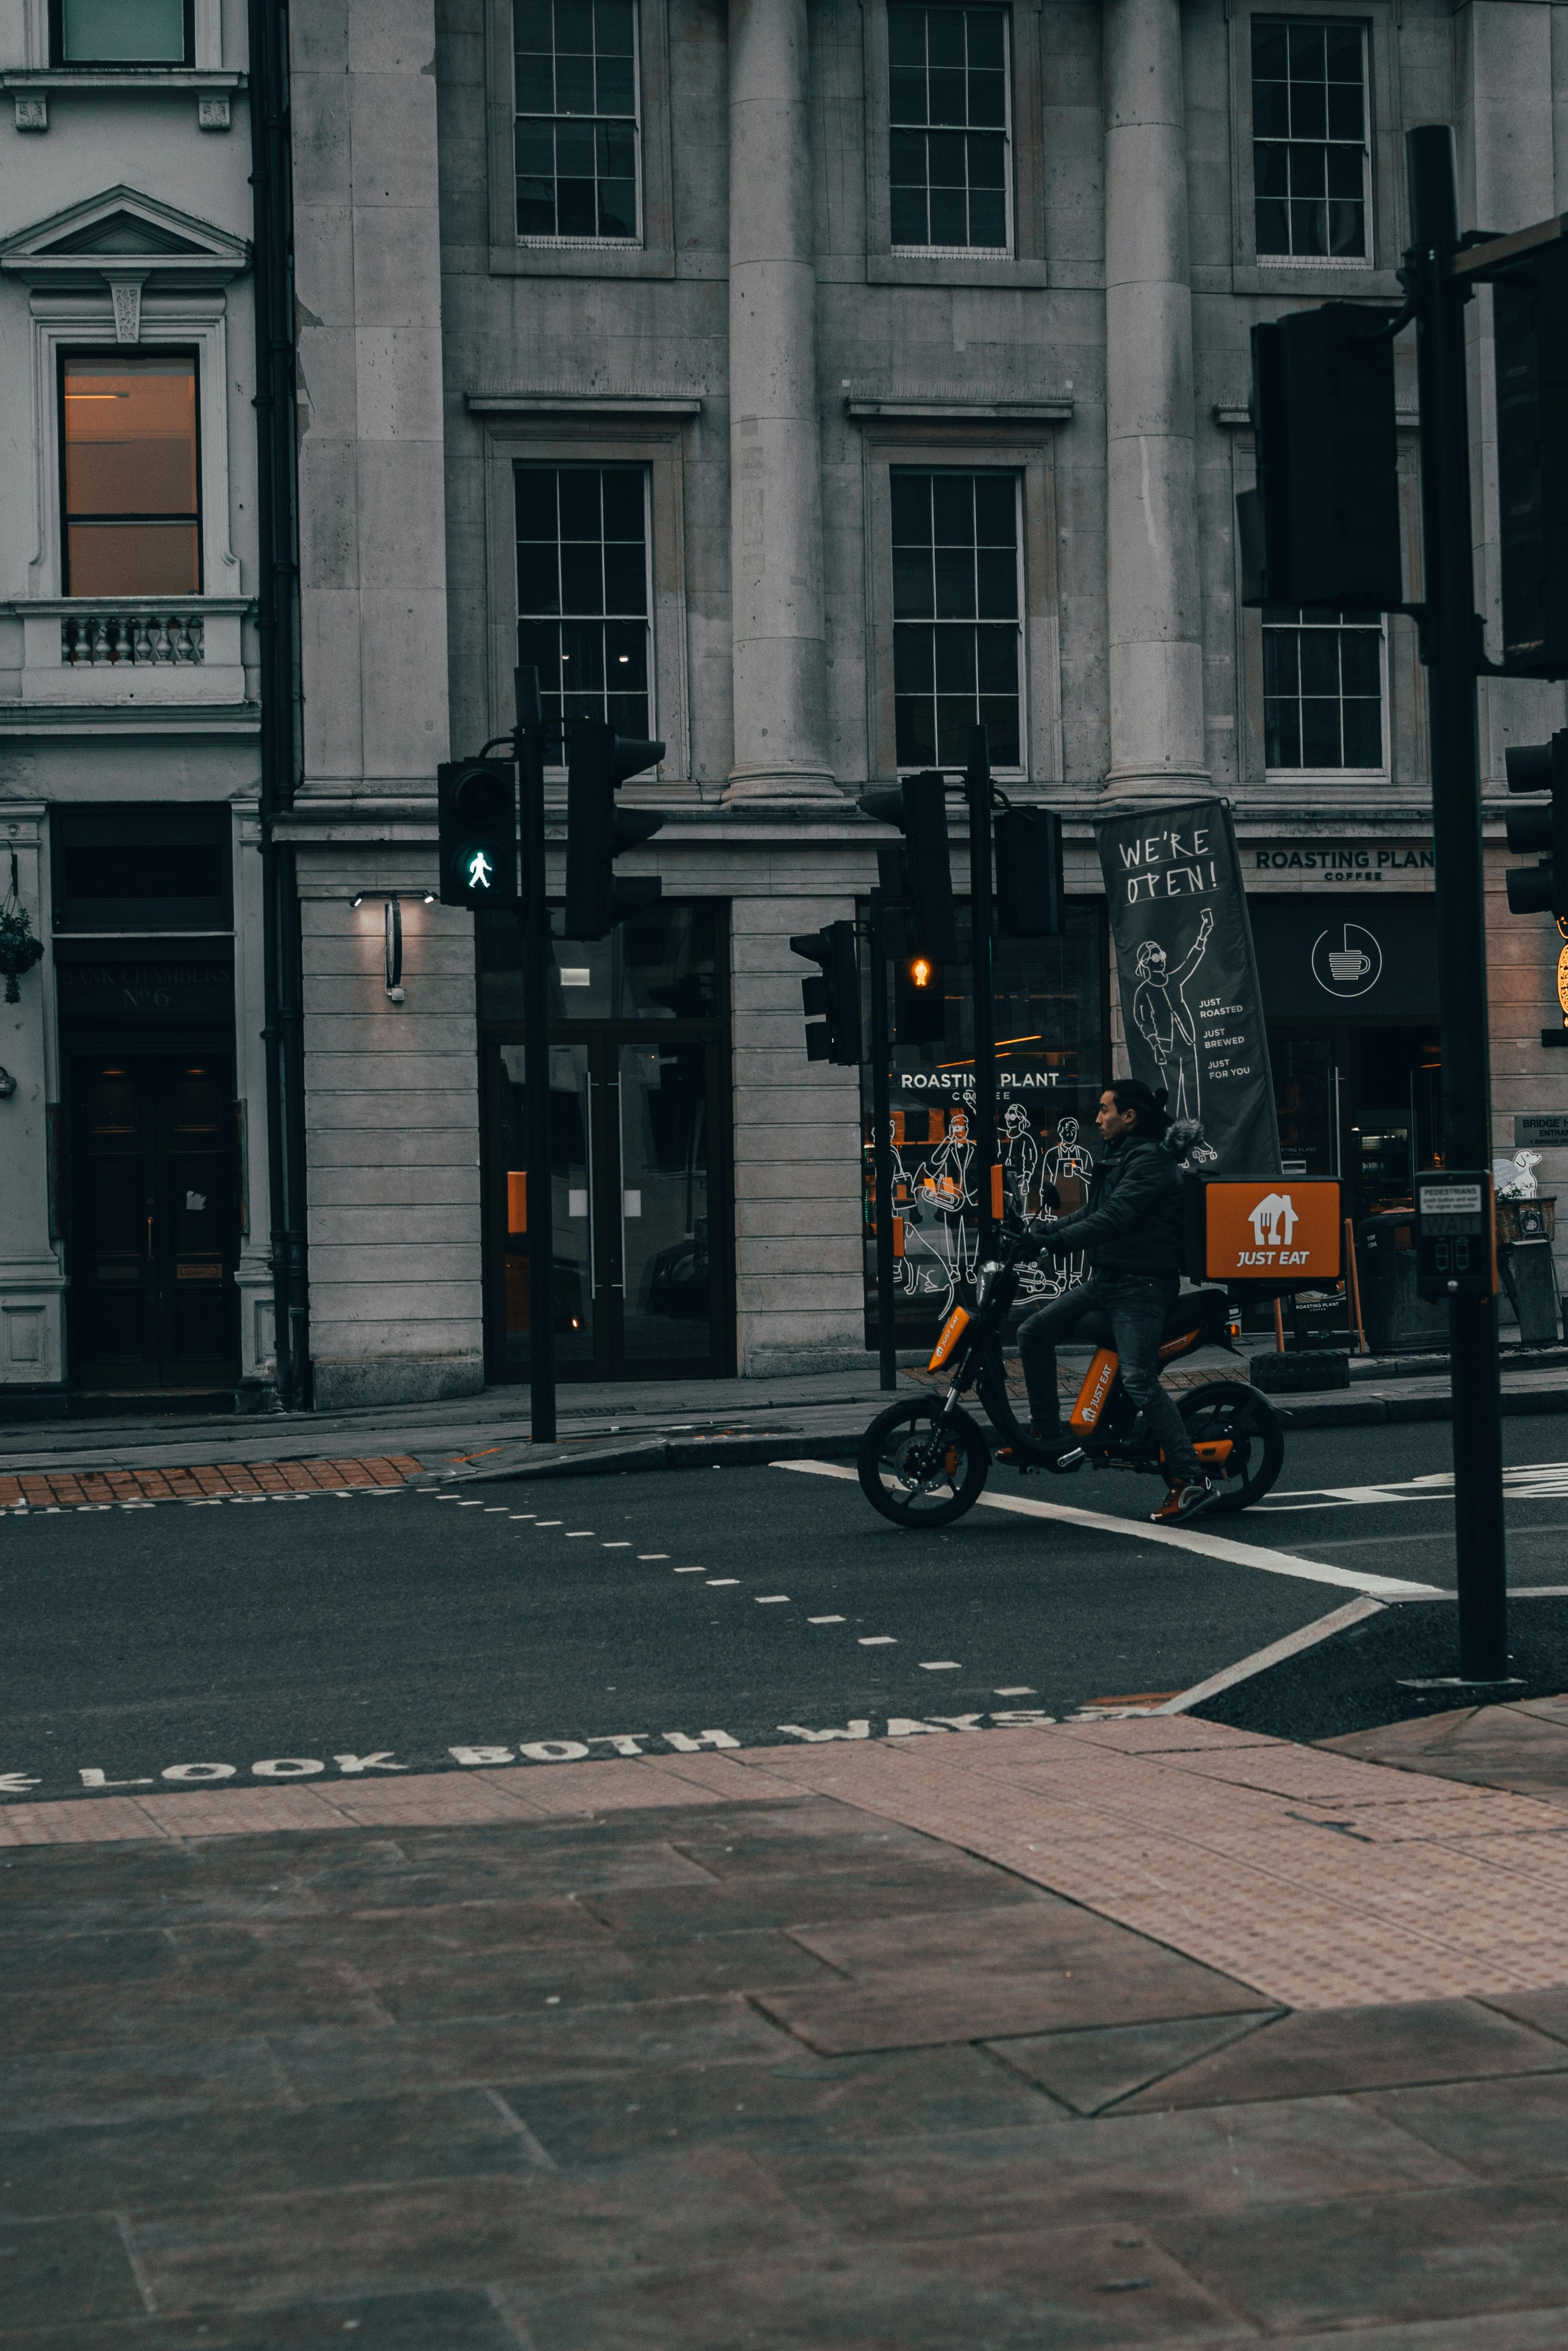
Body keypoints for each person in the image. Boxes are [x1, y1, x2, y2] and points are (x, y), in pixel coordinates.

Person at [1013, 1077, 1220, 1524]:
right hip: (1107, 1280)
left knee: (1138, 1378)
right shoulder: (1124, 1156)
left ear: (1129, 1116)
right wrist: (1039, 1233)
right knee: (1032, 1331)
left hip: (1141, 1287)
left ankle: (1191, 1481)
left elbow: (1116, 1217)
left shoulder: (1150, 1162)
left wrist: (1053, 1245)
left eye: (1105, 1109)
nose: (1098, 1117)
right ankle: (1047, 1434)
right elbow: (1092, 1212)